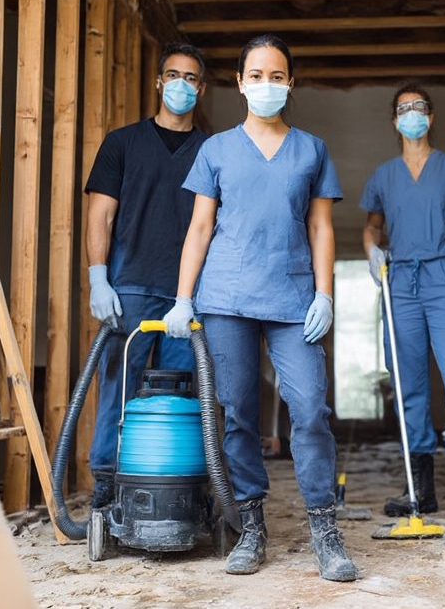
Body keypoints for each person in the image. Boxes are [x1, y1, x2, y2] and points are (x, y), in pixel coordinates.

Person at [162, 34, 357, 582]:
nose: (266, 85)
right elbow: (201, 227)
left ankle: (325, 527)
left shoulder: (312, 149)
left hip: (293, 297)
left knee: (312, 408)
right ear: (240, 82)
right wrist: (183, 296)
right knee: (238, 413)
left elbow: (319, 225)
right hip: (226, 296)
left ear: (289, 83)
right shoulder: (217, 149)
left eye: (277, 76)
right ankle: (251, 525)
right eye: (256, 75)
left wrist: (325, 293)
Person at [84, 43, 208, 508]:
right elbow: (101, 216)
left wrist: (191, 295)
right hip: (130, 286)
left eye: (191, 78)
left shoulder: (210, 150)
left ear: (201, 87)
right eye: (173, 75)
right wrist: (99, 278)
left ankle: (176, 487)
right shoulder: (123, 143)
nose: (181, 84)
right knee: (119, 386)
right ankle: (106, 484)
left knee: (180, 396)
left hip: (188, 294)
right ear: (159, 81)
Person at [360, 84, 445, 532]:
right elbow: (373, 226)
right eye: (403, 109)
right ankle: (421, 488)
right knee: (408, 382)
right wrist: (372, 250)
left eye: (419, 108)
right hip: (401, 282)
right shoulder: (383, 176)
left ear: (431, 117)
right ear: (394, 121)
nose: (411, 115)